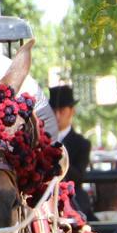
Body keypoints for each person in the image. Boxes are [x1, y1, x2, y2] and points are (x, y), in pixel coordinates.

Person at [49, 84, 93, 218]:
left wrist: (57, 155)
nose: (57, 115)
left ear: (72, 111)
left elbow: (78, 176)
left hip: (72, 197)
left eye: (61, 111)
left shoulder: (82, 143)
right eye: (53, 111)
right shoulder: (41, 139)